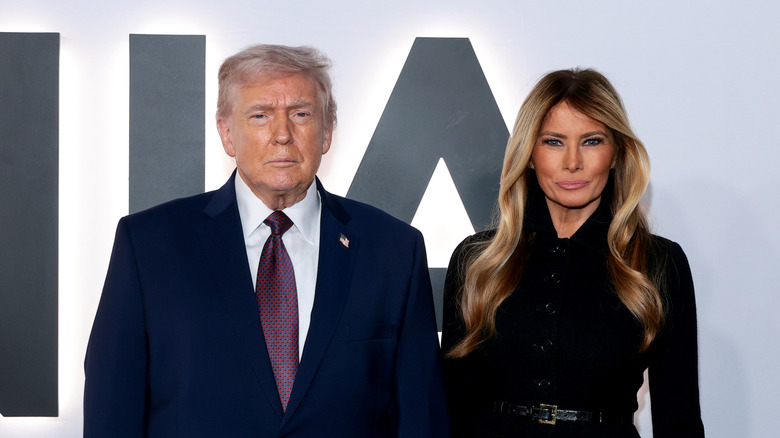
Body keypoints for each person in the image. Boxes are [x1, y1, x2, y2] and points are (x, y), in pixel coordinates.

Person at [84, 44, 449, 438]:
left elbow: (420, 416)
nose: (282, 134)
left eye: (301, 114)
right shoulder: (149, 244)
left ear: (327, 133)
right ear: (227, 134)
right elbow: (113, 408)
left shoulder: (393, 248)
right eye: (260, 115)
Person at [441, 68, 704, 437]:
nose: (572, 162)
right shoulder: (478, 260)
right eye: (553, 141)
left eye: (592, 141)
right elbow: (450, 403)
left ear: (616, 154)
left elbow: (679, 417)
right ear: (529, 154)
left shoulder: (658, 263)